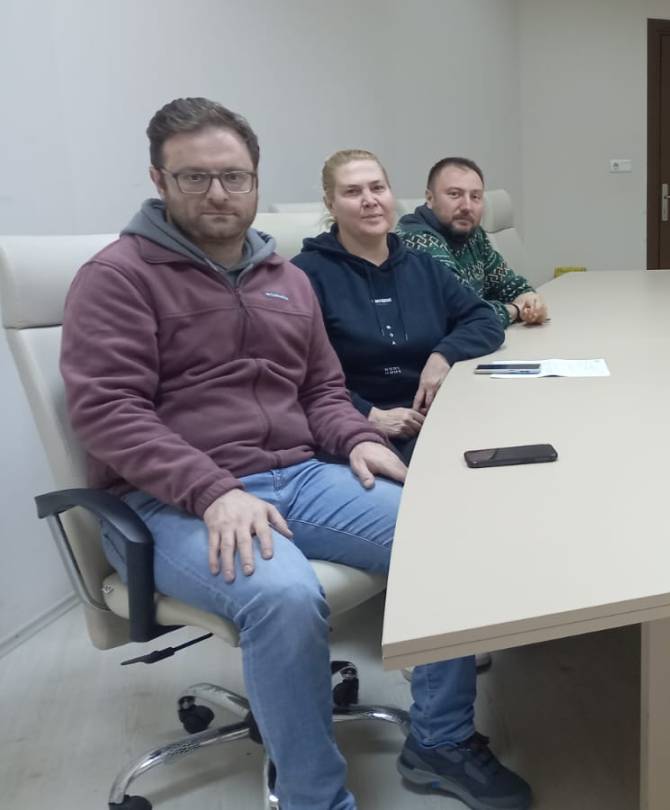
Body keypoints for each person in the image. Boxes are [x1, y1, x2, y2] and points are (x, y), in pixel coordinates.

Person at [59, 98, 531, 810]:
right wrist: (213, 490)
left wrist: (359, 439)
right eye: (194, 177)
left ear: (255, 180)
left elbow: (321, 390)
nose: (218, 193)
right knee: (284, 595)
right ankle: (317, 798)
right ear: (159, 180)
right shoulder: (118, 277)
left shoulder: (284, 278)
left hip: (298, 475)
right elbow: (108, 412)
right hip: (170, 499)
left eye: (234, 177)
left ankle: (440, 741)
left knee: (446, 532)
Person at [292, 149, 505, 464]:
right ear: (330, 204)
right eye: (353, 192)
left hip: (436, 416)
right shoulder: (303, 276)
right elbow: (297, 375)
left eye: (377, 188)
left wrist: (444, 355)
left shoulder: (423, 267)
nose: (369, 200)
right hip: (356, 430)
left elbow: (484, 319)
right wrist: (369, 414)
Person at [397, 157, 547, 326]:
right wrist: (515, 310)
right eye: (454, 194)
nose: (467, 206)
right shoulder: (417, 240)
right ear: (430, 199)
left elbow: (508, 284)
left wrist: (530, 300)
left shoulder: (472, 234)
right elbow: (463, 313)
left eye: (475, 196)